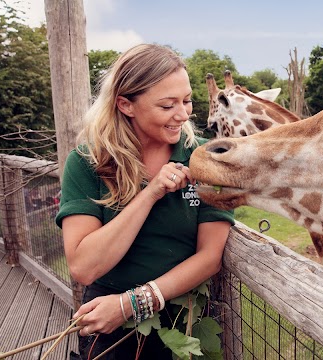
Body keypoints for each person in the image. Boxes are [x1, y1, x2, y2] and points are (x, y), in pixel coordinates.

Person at [55, 44, 234, 359]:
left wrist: (132, 305)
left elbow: (210, 257)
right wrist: (150, 193)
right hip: (106, 320)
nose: (183, 114)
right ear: (126, 105)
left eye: (187, 100)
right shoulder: (87, 162)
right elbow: (83, 266)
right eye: (167, 106)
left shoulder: (206, 159)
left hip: (183, 319)